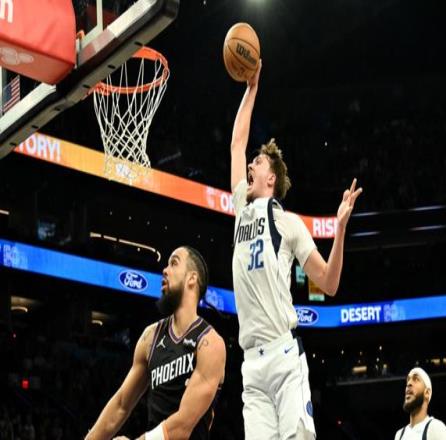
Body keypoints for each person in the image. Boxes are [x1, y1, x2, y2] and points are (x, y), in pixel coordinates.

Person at [230, 60, 362, 439]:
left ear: (270, 178)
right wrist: (251, 89)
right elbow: (237, 142)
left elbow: (329, 284)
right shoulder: (241, 207)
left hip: (284, 356)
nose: (250, 164)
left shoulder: (289, 224)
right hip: (251, 365)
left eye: (257, 162)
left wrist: (339, 229)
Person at [85, 246, 226, 440]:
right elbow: (121, 405)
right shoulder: (150, 337)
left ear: (192, 278)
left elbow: (182, 426)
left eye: (174, 263)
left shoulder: (210, 343)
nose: (165, 270)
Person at [394, 367, 446, 440]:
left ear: (427, 393)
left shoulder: (436, 427)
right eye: (408, 380)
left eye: (416, 379)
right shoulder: (399, 435)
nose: (409, 383)